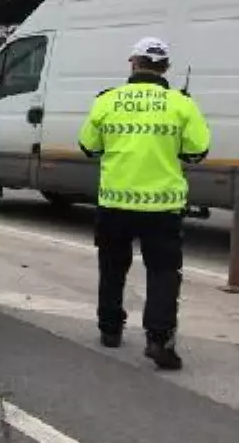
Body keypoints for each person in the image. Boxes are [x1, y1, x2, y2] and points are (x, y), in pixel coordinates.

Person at [77, 37, 211, 370]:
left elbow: (88, 146)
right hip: (162, 207)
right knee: (164, 272)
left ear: (133, 63)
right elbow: (197, 151)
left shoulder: (107, 100)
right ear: (165, 68)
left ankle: (110, 329)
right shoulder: (181, 104)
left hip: (114, 203)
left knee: (112, 267)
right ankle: (159, 338)